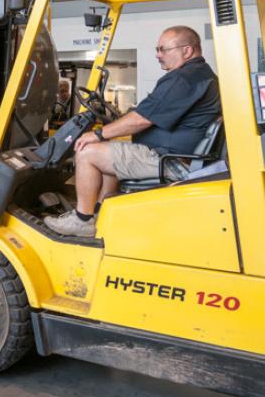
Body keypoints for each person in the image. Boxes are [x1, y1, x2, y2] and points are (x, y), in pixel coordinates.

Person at [45, 26, 220, 238]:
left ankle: (82, 220)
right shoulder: (199, 75)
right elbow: (147, 114)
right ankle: (100, 212)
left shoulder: (183, 79)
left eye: (163, 49)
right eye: (157, 49)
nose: (158, 55)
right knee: (110, 151)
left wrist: (98, 134)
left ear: (187, 50)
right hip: (175, 155)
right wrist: (113, 130)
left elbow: (140, 119)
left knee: (87, 152)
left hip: (169, 160)